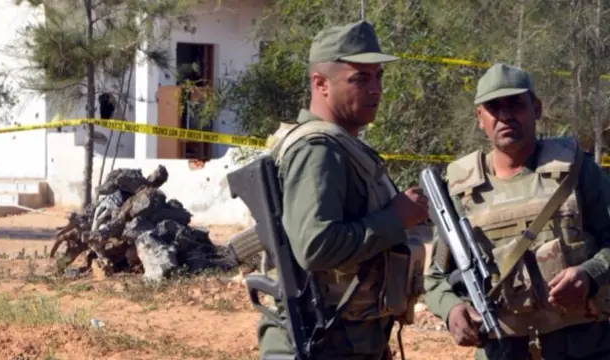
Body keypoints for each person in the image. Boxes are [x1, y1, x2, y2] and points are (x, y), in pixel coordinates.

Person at [256, 20, 430, 360]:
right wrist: (396, 217)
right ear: (320, 83)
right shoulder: (318, 150)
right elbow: (316, 246)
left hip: (345, 339)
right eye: (360, 78)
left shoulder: (340, 146)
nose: (376, 88)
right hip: (324, 343)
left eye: (379, 76)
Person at [423, 63, 610, 360]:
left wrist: (590, 274)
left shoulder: (578, 170)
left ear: (536, 108)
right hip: (502, 350)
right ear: (479, 119)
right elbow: (435, 278)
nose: (506, 115)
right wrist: (452, 310)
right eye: (494, 107)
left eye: (516, 104)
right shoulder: (460, 191)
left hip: (583, 348)